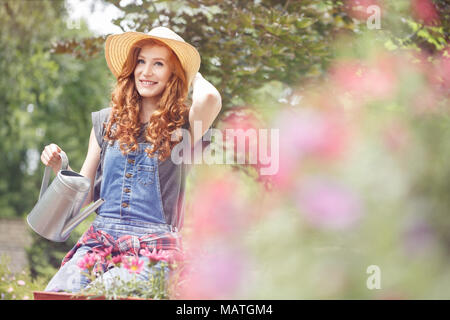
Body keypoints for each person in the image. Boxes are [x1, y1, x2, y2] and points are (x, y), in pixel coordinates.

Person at [41, 27, 222, 293]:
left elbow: (210, 97)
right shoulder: (106, 122)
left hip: (153, 250)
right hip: (99, 244)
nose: (146, 72)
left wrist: (190, 72)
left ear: (174, 74)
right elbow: (84, 196)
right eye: (141, 61)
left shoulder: (184, 128)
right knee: (57, 293)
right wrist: (61, 169)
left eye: (159, 64)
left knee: (103, 293)